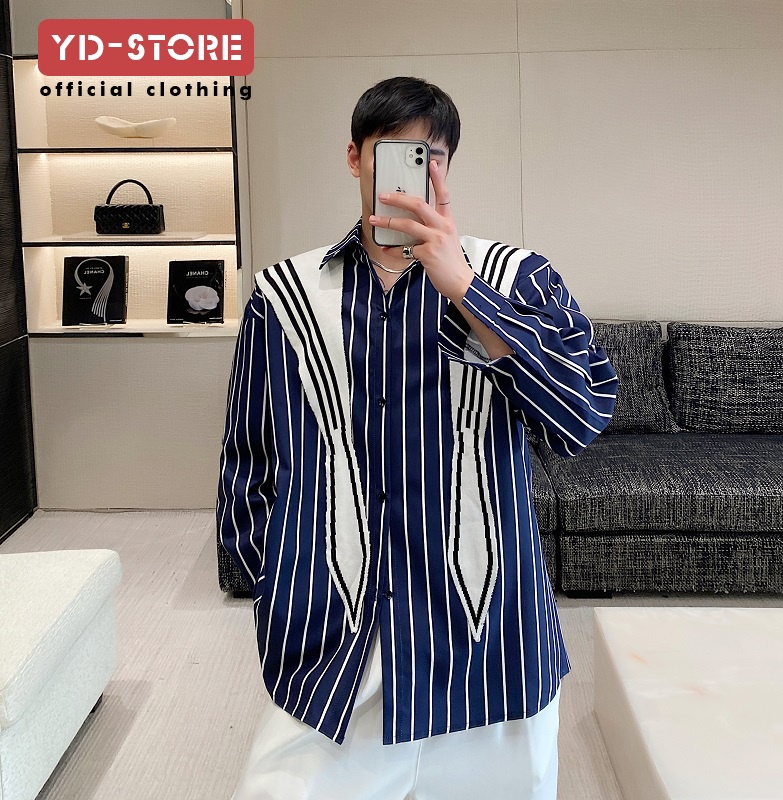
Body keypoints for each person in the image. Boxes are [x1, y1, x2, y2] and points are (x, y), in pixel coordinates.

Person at [217, 76, 618, 800]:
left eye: (430, 156)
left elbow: (580, 419)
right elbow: (249, 456)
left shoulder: (516, 279)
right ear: (354, 157)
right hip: (336, 641)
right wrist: (273, 585)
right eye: (391, 153)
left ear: (448, 166)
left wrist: (465, 289)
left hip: (490, 642)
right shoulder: (284, 295)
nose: (412, 173)